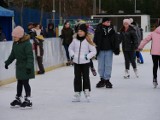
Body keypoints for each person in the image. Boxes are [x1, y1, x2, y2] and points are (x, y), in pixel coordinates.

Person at [5, 26, 35, 108]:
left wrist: (29, 66)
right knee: (19, 83)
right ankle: (18, 99)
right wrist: (7, 63)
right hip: (19, 66)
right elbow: (13, 55)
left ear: (20, 36)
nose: (14, 38)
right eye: (13, 36)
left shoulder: (27, 44)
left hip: (26, 66)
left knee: (25, 82)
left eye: (15, 36)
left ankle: (28, 100)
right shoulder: (15, 43)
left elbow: (30, 56)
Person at [69, 24, 96, 102]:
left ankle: (87, 91)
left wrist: (87, 56)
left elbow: (94, 51)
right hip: (76, 62)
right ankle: (77, 93)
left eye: (81, 31)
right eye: (78, 31)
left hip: (85, 62)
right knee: (77, 77)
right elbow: (70, 48)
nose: (79, 33)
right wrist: (73, 55)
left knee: (86, 77)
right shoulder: (74, 40)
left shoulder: (88, 40)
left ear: (85, 32)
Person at [94, 17, 120, 88]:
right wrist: (94, 49)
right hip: (100, 50)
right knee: (101, 66)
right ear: (103, 22)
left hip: (109, 50)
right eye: (107, 21)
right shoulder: (98, 29)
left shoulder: (112, 30)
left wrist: (116, 48)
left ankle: (107, 79)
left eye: (109, 22)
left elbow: (115, 40)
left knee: (108, 65)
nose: (109, 23)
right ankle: (102, 79)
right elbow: (95, 40)